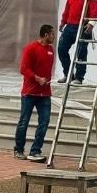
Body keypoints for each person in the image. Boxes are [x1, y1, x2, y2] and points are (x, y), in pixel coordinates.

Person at [14, 24, 56, 162]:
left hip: (44, 94)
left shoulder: (50, 50)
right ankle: (18, 149)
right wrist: (37, 79)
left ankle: (35, 150)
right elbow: (24, 69)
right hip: (30, 93)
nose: (53, 37)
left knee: (44, 121)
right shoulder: (31, 48)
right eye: (52, 34)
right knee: (24, 121)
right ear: (45, 35)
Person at [57, 0, 97, 85]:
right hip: (70, 26)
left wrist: (91, 23)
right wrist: (63, 22)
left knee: (81, 52)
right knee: (61, 49)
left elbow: (94, 9)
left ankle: (79, 77)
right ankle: (68, 74)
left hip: (83, 26)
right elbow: (67, 8)